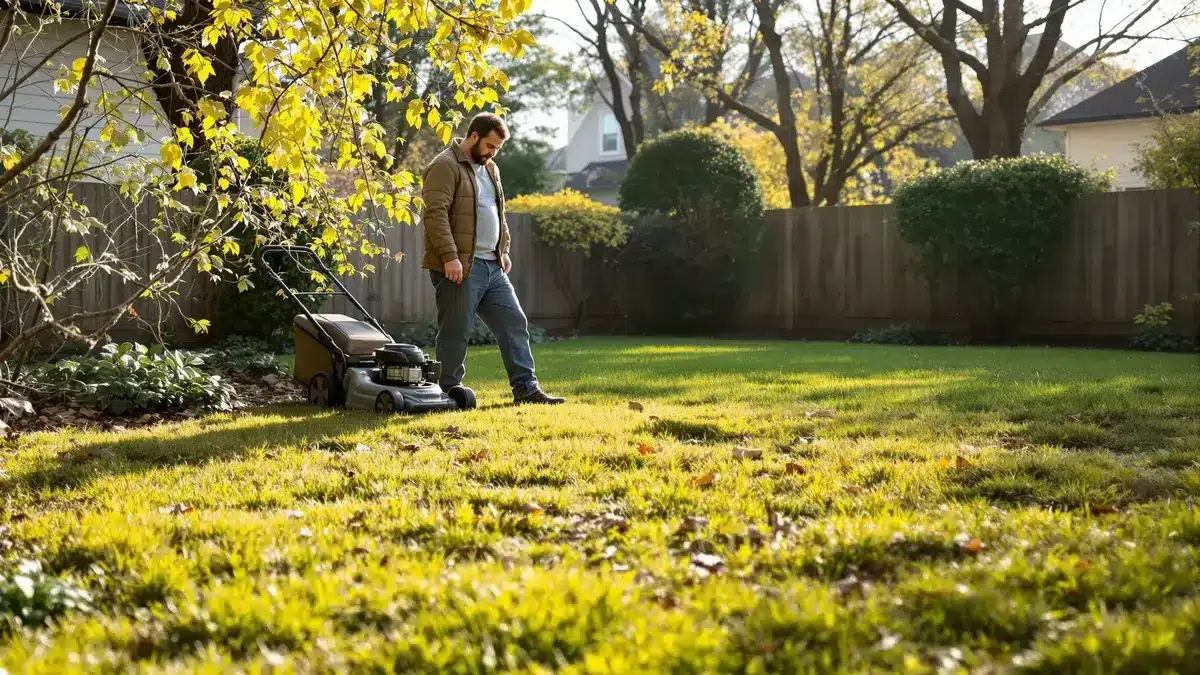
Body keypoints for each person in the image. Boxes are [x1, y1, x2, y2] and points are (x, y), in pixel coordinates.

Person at [419, 112, 565, 405]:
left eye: (497, 148)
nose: (492, 153)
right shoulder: (444, 166)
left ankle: (526, 388)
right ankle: (448, 393)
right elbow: (435, 215)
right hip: (460, 267)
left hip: (492, 266)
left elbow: (498, 212)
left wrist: (504, 249)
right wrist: (450, 257)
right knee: (456, 333)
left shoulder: (491, 168)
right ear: (474, 136)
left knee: (514, 323)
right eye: (489, 146)